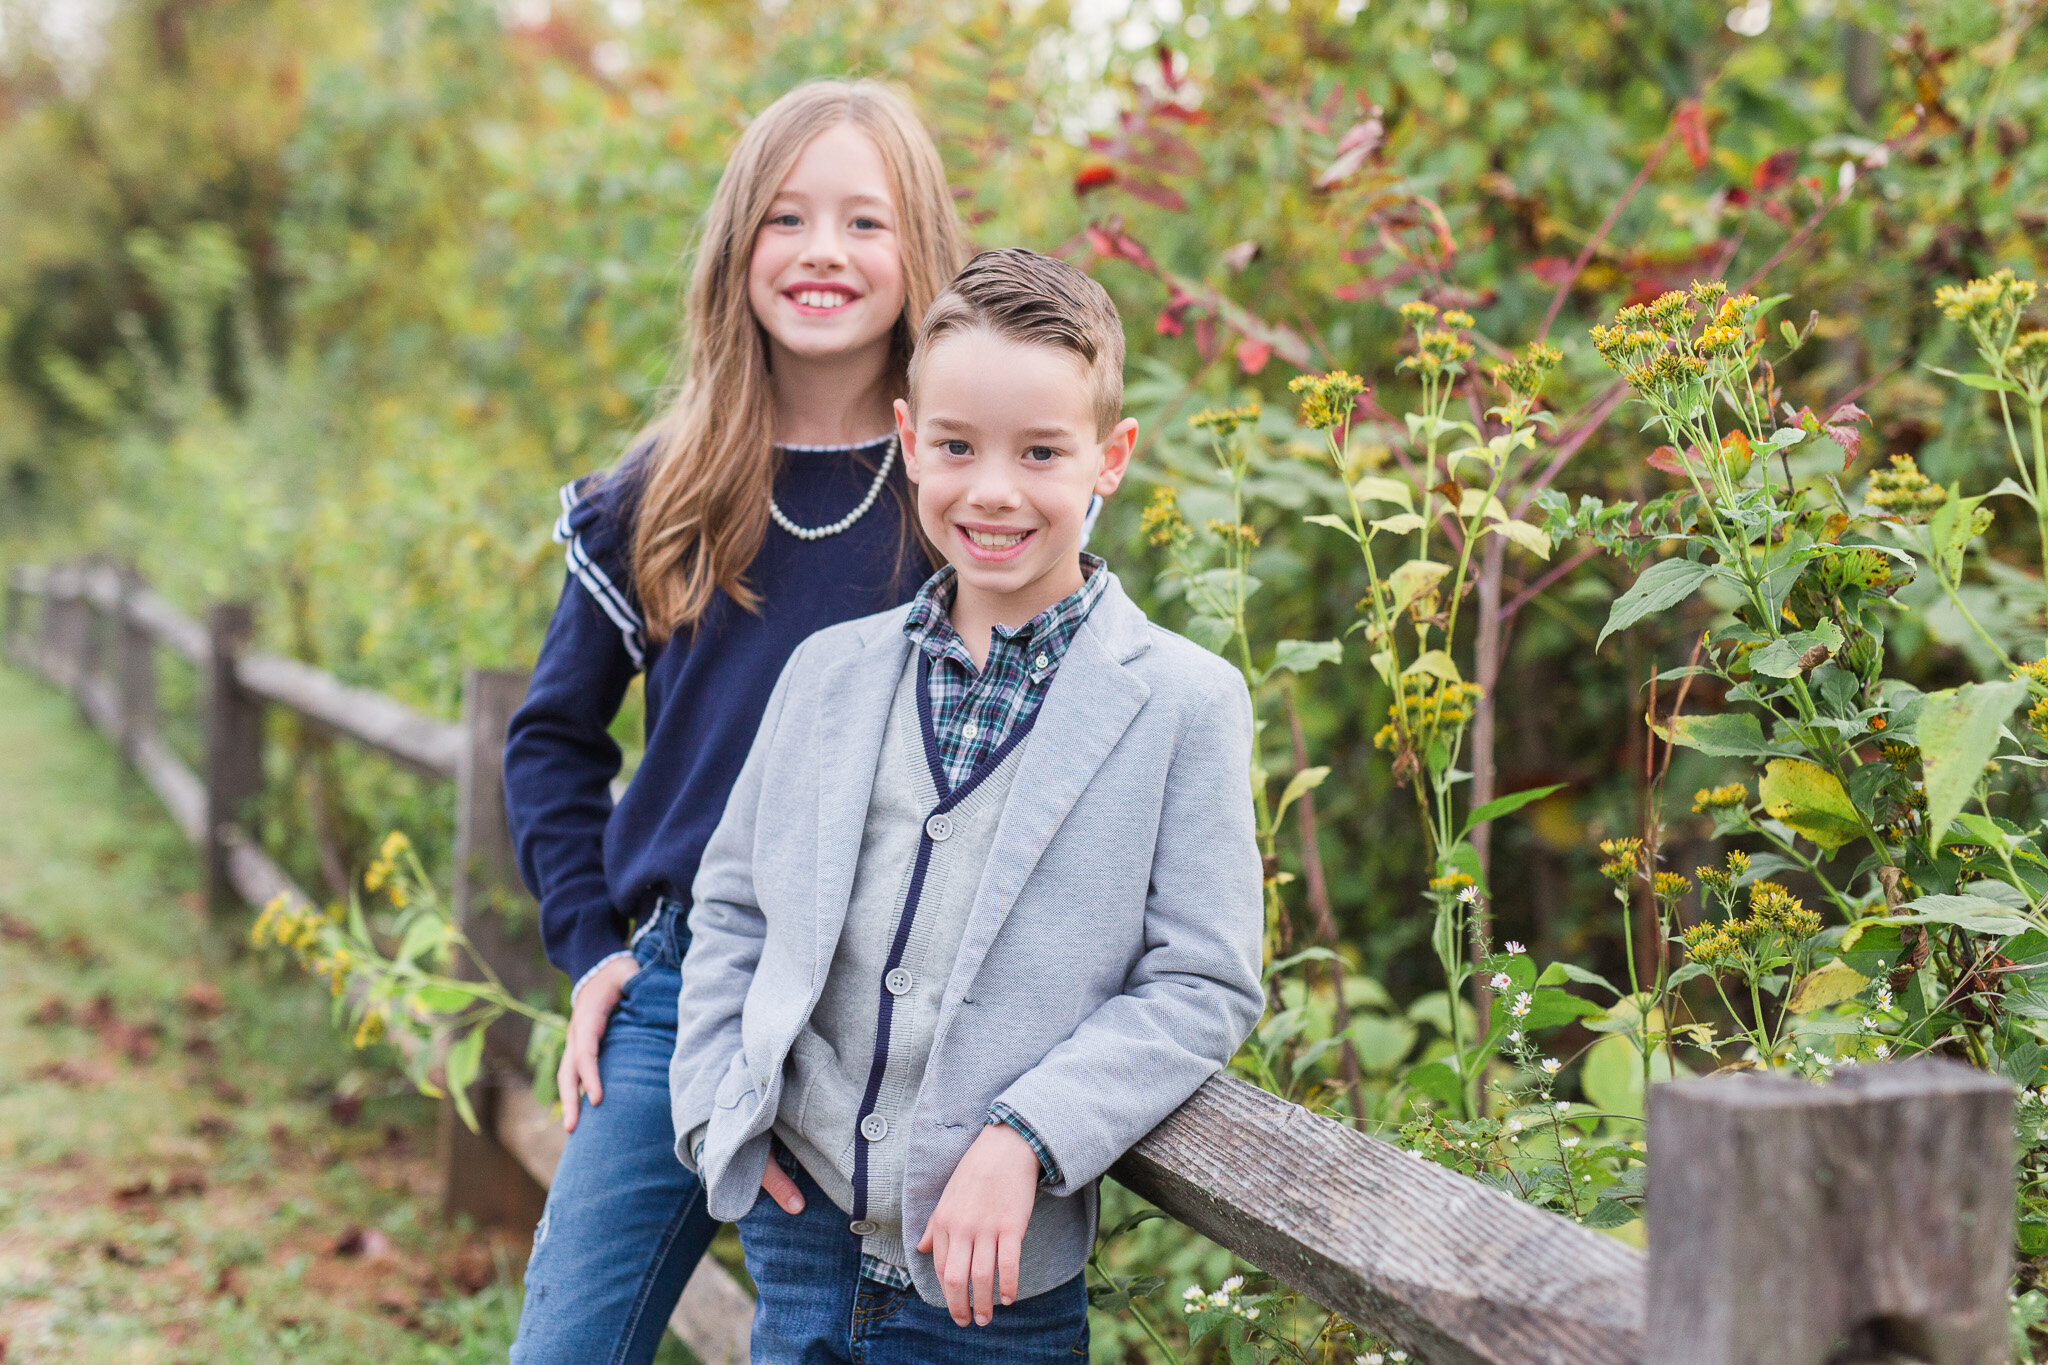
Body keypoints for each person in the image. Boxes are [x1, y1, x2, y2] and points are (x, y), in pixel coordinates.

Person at [669, 248, 1266, 1363]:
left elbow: (1203, 980)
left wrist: (1027, 1137)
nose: (992, 489)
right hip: (798, 1243)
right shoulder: (826, 676)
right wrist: (716, 1111)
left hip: (994, 1285)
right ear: (907, 442)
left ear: (1110, 458)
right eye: (954, 447)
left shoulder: (1184, 703)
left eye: (1040, 452)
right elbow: (734, 905)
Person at [502, 80, 964, 1364]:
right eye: (785, 218)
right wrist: (590, 947)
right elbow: (550, 740)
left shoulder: (958, 490)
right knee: (566, 1345)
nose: (823, 252)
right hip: (676, 985)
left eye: (864, 223)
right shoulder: (656, 495)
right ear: (733, 250)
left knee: (820, 1338)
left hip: (874, 1010)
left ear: (918, 249)